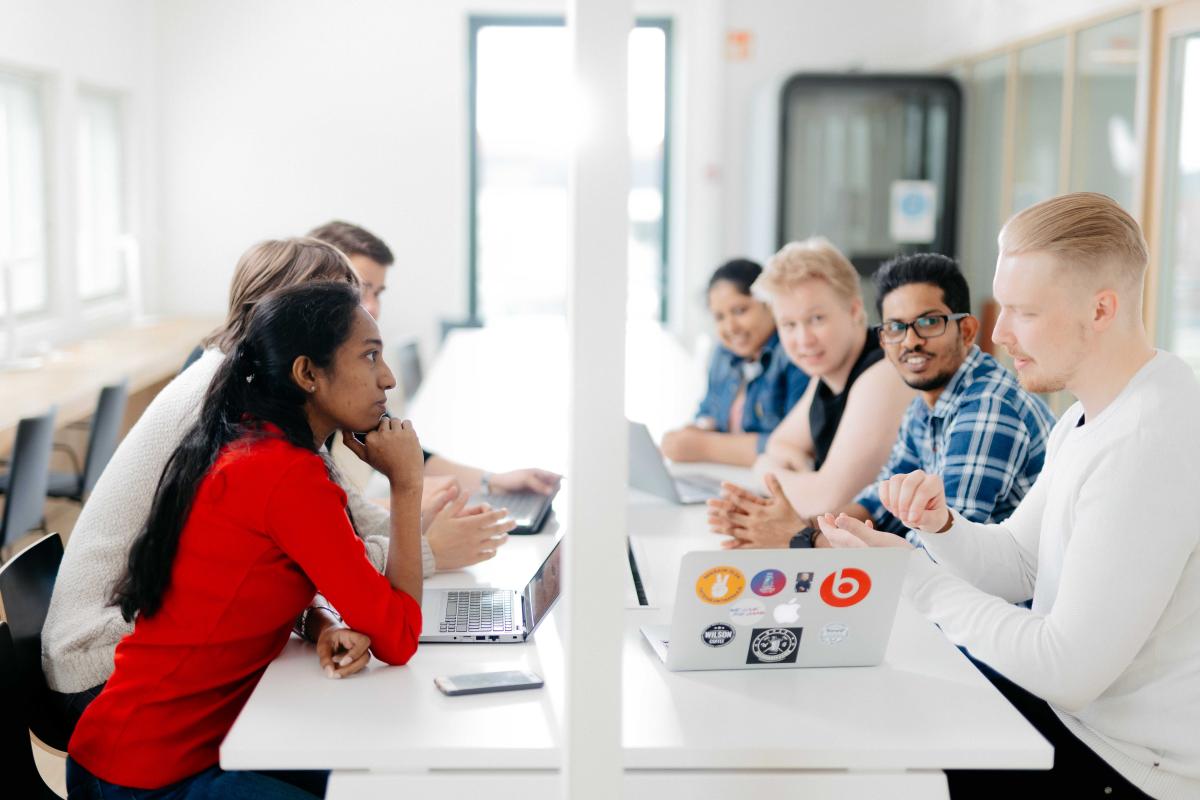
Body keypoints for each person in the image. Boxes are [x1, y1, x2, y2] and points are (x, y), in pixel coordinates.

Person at [818, 193, 1200, 798]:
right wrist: (942, 527)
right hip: (1082, 725)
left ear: (1102, 309)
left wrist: (910, 575)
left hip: (1130, 767)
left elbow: (1066, 669)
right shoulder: (1086, 416)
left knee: (881, 759)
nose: (997, 333)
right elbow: (1018, 565)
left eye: (1024, 312)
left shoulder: (1150, 441)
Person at [41, 239, 506, 734]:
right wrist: (426, 545)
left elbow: (335, 528)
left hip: (132, 650)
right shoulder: (233, 409)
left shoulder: (262, 397)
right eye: (344, 299)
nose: (360, 310)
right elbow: (321, 549)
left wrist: (409, 516)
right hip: (99, 663)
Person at [67, 280, 423, 798]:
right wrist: (407, 486)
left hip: (135, 753)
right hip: (144, 778)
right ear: (308, 374)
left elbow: (242, 587)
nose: (387, 378)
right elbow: (399, 637)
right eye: (370, 357)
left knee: (358, 773)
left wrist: (317, 618)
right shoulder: (287, 476)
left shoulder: (253, 443)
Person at [709, 253, 1054, 548]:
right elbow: (878, 503)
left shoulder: (987, 407)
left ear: (965, 331)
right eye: (895, 328)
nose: (911, 342)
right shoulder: (927, 401)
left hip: (1005, 609)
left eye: (929, 323)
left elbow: (941, 553)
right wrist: (799, 528)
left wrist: (799, 537)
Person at [308, 220, 561, 499]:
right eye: (360, 289)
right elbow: (323, 512)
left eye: (377, 293)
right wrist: (408, 502)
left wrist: (494, 481)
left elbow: (416, 459)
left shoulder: (349, 382)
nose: (373, 307)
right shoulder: (309, 387)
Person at [705, 237, 913, 522]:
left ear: (853, 311)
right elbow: (777, 446)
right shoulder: (828, 370)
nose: (803, 340)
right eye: (789, 325)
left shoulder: (884, 371)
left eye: (816, 319)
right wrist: (779, 467)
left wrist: (770, 469)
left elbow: (825, 501)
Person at [661, 258, 809, 467]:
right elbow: (708, 410)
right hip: (729, 474)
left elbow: (794, 447)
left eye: (740, 311)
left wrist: (702, 446)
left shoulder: (795, 355)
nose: (730, 327)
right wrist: (700, 428)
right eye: (719, 317)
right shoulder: (723, 353)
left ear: (769, 304)